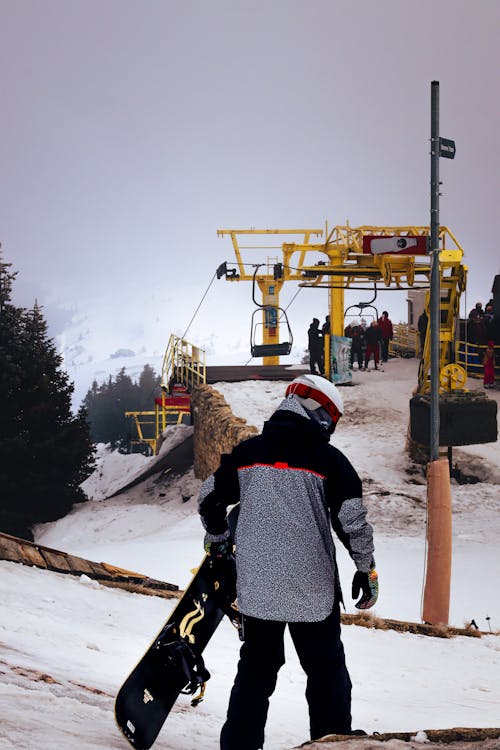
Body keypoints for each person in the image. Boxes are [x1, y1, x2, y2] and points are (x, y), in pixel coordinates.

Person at [199, 374, 378, 749]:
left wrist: (217, 541)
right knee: (326, 673)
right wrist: (366, 568)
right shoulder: (330, 461)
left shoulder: (247, 454)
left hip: (257, 590)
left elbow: (209, 499)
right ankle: (332, 743)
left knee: (255, 673)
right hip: (312, 594)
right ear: (322, 415)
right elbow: (352, 522)